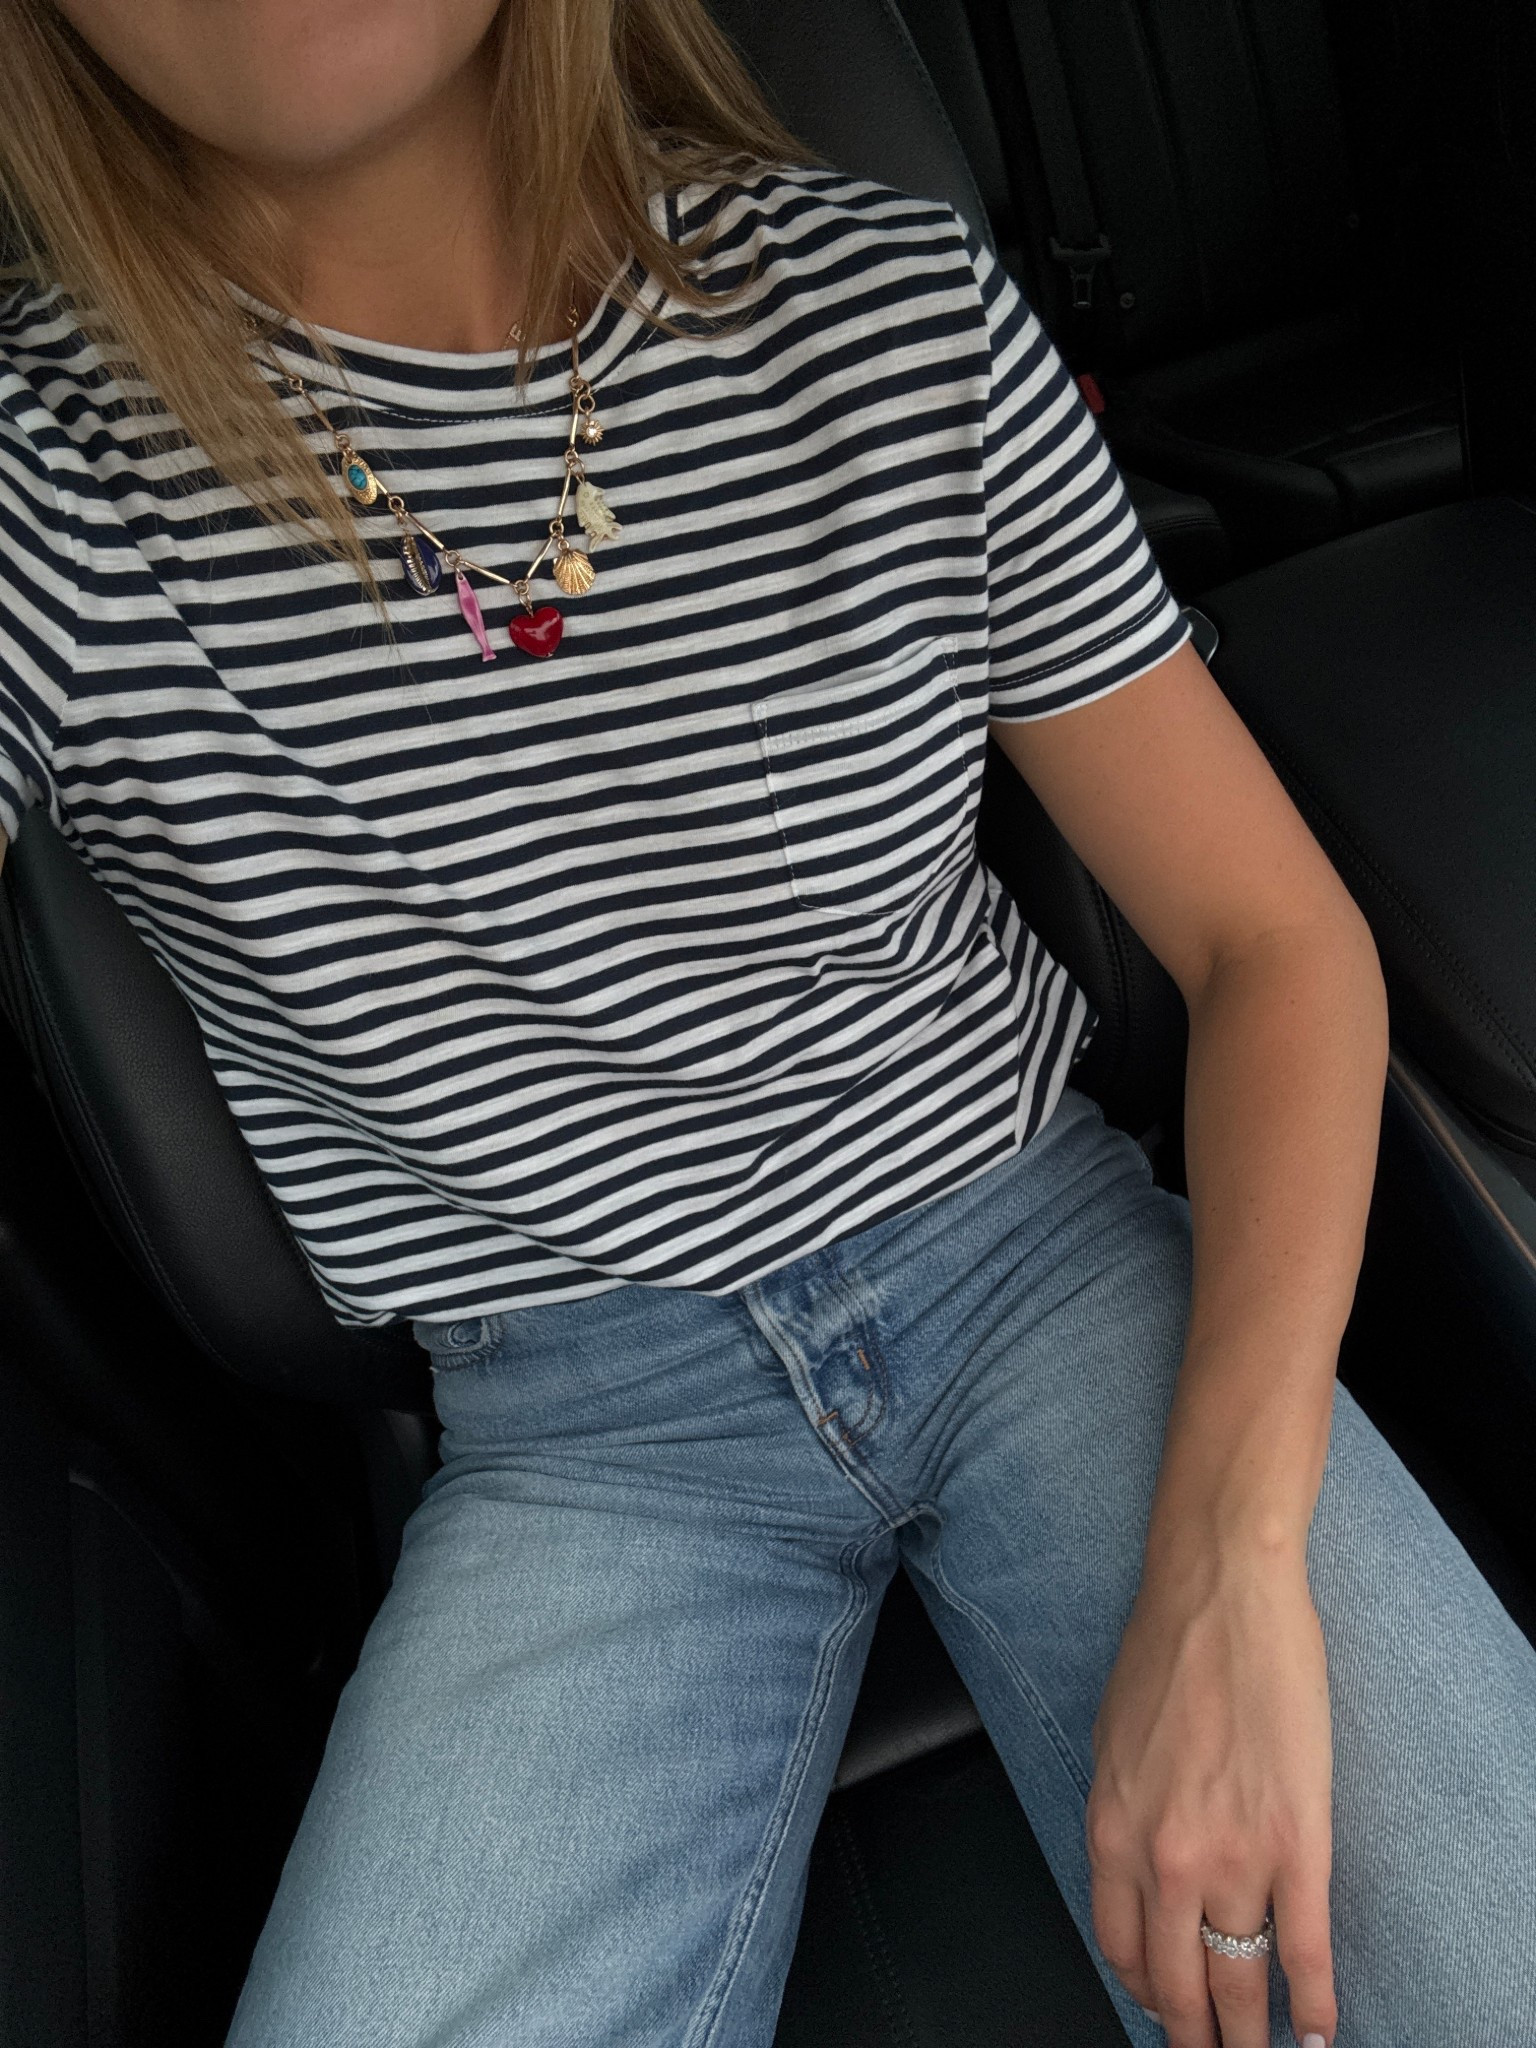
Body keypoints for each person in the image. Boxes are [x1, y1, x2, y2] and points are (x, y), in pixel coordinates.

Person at [1, 3, 1532, 2045]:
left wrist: (1234, 1566)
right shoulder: (46, 484)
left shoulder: (884, 305)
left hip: (1040, 1265)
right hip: (580, 1442)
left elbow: (1274, 942)